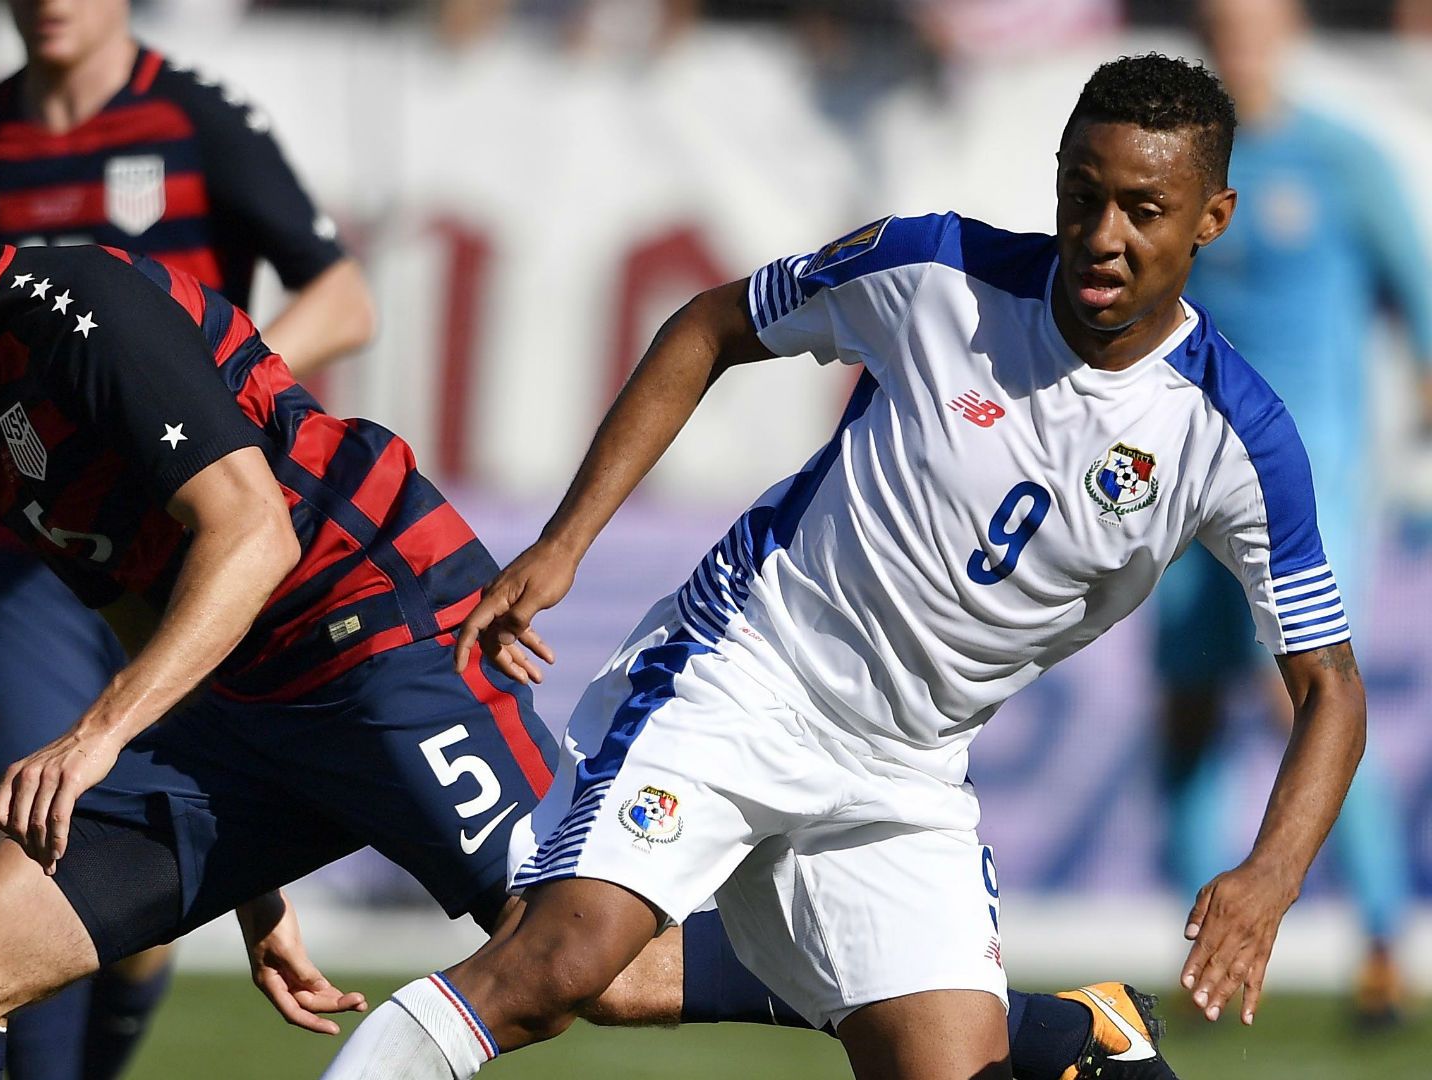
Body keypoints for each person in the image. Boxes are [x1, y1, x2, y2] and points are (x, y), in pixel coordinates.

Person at [0, 103, 1181, 1080]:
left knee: (592, 967)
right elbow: (143, 604)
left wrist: (99, 735)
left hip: (385, 639)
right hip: (239, 715)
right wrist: (248, 889)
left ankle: (1054, 1029)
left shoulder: (87, 317)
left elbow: (252, 536)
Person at [320, 53, 1366, 1080]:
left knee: (934, 1061)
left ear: (1212, 218)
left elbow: (1330, 687)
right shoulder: (936, 272)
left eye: (1143, 211)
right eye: (1082, 197)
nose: (1101, 237)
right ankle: (909, 993)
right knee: (557, 965)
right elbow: (713, 323)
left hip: (906, 771)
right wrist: (563, 544)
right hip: (750, 670)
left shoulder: (1235, 439)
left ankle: (989, 1014)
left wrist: (1269, 878)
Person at [0, 0, 375, 1074]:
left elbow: (344, 297)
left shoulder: (197, 119)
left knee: (134, 867)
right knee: (41, 834)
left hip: (198, 539)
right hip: (35, 554)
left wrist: (196, 394)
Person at [1152, 0, 1432, 1028]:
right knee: (1184, 714)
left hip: (1306, 484)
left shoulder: (1343, 161)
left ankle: (1380, 950)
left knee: (1309, 701)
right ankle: (1199, 957)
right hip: (1182, 476)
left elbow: (1424, 304)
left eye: (1255, 20)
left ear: (1287, 31)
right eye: (1222, 21)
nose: (1239, 38)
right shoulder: (1180, 171)